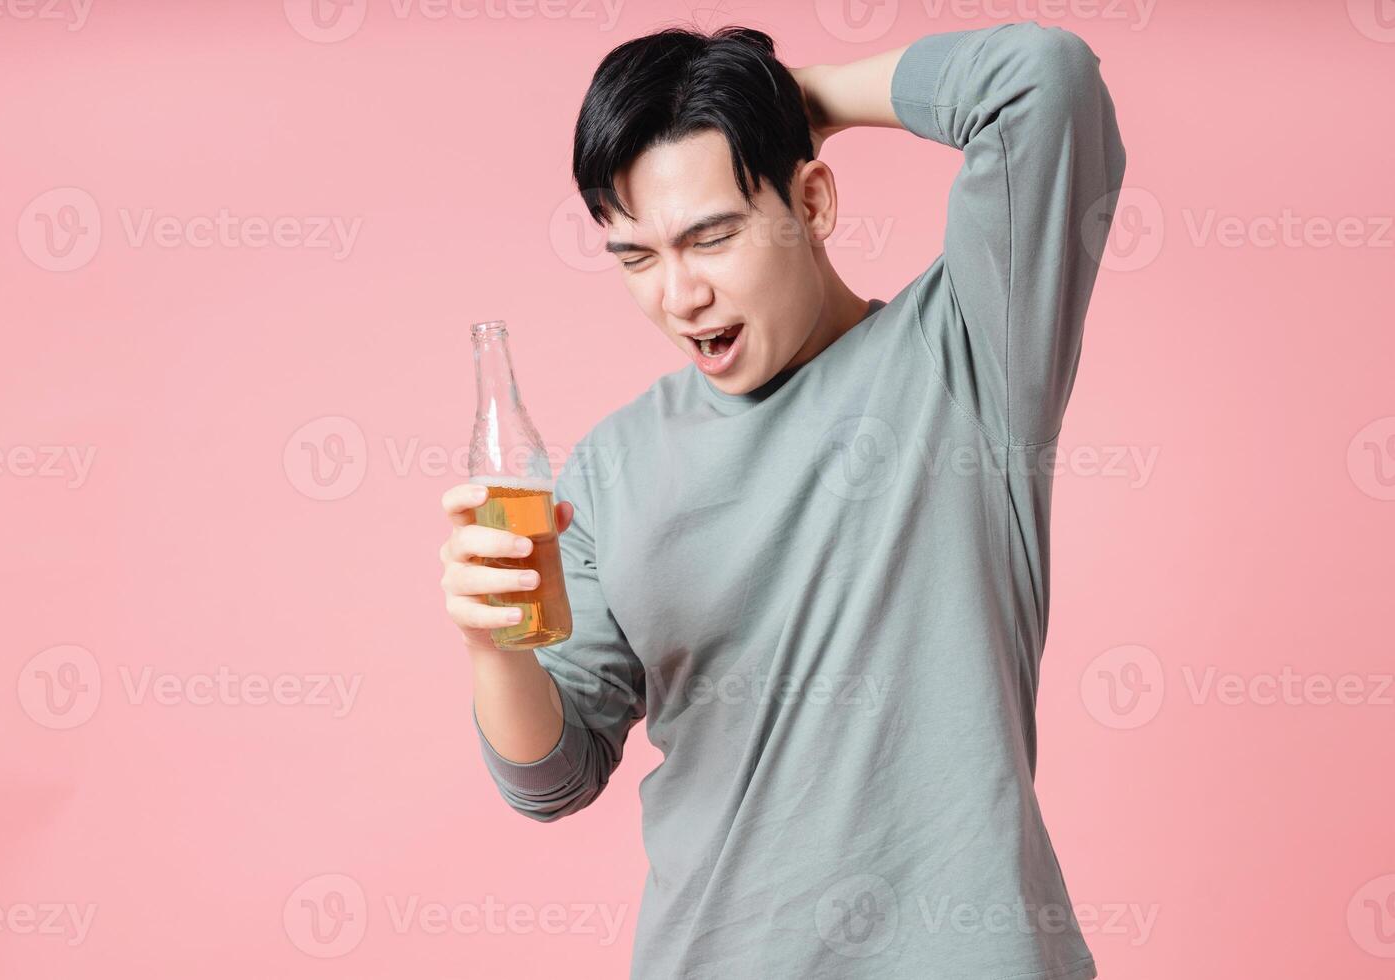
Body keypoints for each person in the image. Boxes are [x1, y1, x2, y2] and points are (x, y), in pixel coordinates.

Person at [439, 19, 1126, 979]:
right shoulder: (606, 471)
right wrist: (495, 648)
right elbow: (551, 781)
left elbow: (1041, 80)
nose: (679, 295)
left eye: (710, 236)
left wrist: (804, 97)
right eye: (636, 257)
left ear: (810, 199)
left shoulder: (968, 359)